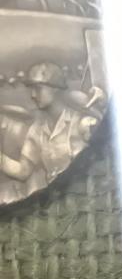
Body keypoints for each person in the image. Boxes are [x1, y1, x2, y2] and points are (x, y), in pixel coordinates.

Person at [0, 62, 97, 191]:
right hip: (57, 197)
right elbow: (23, 171)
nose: (33, 95)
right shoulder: (37, 130)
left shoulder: (81, 123)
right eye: (31, 89)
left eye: (38, 88)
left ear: (55, 88)